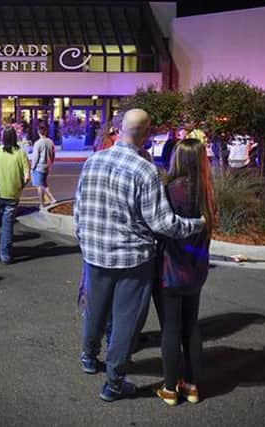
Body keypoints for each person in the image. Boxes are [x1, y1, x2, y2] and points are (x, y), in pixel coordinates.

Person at [74, 109, 206, 402]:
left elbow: (78, 209)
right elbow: (162, 223)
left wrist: (84, 241)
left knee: (96, 308)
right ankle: (114, 382)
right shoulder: (144, 170)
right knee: (126, 321)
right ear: (146, 135)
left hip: (95, 253)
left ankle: (88, 356)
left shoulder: (92, 161)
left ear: (119, 129)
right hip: (132, 259)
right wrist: (198, 224)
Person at [154, 138, 216, 406]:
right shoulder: (208, 191)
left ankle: (169, 388)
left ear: (177, 158)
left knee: (170, 327)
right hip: (196, 269)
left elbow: (161, 227)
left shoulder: (170, 189)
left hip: (170, 268)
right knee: (191, 325)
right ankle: (191, 386)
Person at [0, 126, 30, 264]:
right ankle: (5, 255)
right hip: (12, 194)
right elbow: (26, 177)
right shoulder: (21, 153)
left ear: (2, 138)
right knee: (7, 225)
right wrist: (19, 187)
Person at [32, 123, 57, 209]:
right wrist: (51, 163)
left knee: (40, 185)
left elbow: (35, 157)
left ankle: (42, 204)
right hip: (47, 166)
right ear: (45, 132)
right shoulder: (50, 142)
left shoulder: (37, 143)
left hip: (39, 167)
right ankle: (51, 199)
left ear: (38, 132)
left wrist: (33, 167)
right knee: (44, 184)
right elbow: (53, 154)